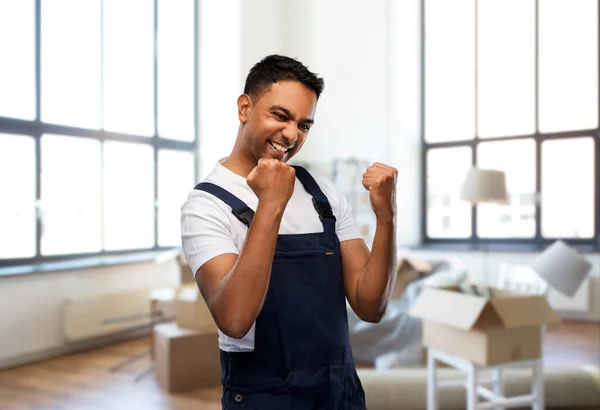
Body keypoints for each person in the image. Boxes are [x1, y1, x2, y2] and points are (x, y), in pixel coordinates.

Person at [181, 54, 398, 409]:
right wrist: (270, 204)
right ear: (245, 108)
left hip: (338, 390)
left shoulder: (322, 192)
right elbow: (234, 319)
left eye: (304, 124)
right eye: (280, 116)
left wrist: (386, 216)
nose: (292, 134)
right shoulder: (205, 205)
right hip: (264, 395)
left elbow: (370, 305)